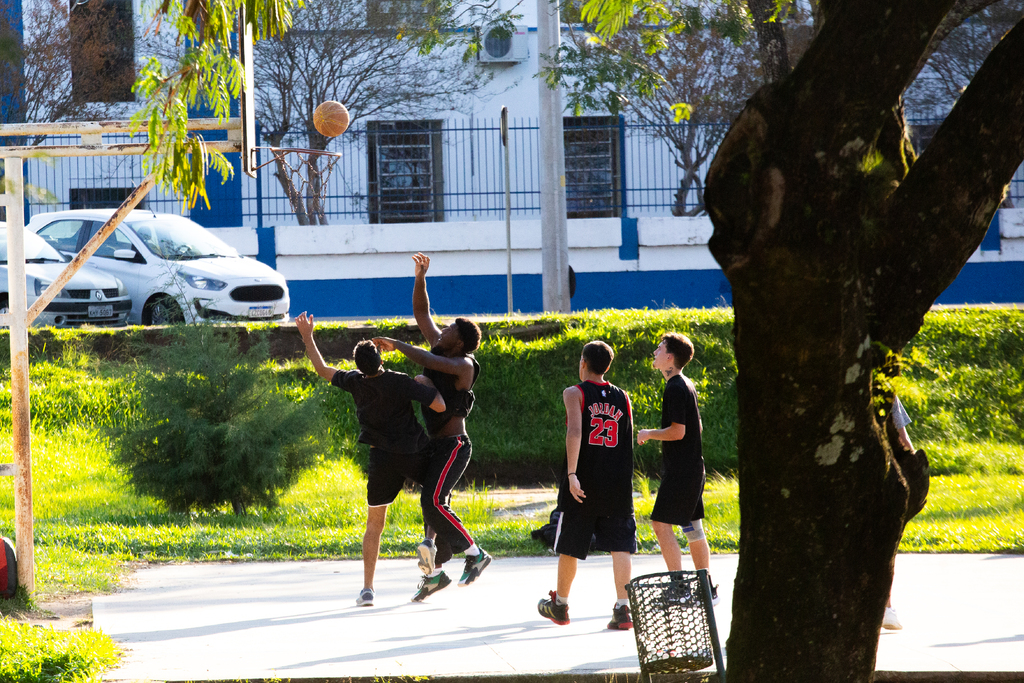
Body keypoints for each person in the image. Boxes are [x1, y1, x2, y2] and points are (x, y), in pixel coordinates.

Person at [296, 312, 445, 607]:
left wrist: (307, 336)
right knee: (436, 498)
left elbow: (323, 369)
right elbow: (439, 406)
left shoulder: (354, 382)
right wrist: (427, 383)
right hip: (414, 452)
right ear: (381, 360)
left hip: (381, 460)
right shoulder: (400, 381)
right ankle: (429, 542)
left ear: (358, 366)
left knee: (374, 524)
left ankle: (367, 589)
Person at [372, 252, 491, 602]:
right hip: (433, 445)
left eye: (451, 329)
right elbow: (422, 313)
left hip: (454, 445)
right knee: (428, 516)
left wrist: (395, 345)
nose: (444, 329)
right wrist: (420, 278)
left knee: (434, 500)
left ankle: (475, 553)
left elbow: (427, 360)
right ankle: (432, 574)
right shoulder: (443, 344)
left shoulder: (463, 365)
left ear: (460, 343)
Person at [537, 340, 637, 630]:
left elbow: (576, 432)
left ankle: (561, 605)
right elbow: (625, 442)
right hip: (617, 483)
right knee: (620, 547)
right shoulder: (624, 397)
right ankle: (623, 610)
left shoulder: (574, 393)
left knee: (571, 545)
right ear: (608, 366)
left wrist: (571, 474)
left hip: (584, 481)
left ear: (583, 362)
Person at [636, 333, 719, 604]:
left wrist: (649, 433)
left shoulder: (674, 387)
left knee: (660, 524)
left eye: (660, 348)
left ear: (670, 357)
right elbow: (698, 426)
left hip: (683, 472)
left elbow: (678, 431)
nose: (655, 351)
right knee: (693, 527)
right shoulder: (686, 384)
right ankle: (706, 589)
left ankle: (679, 587)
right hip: (693, 468)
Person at [883, 395, 914, 631]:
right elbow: (903, 440)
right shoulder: (886, 390)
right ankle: (886, 609)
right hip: (884, 478)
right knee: (884, 547)